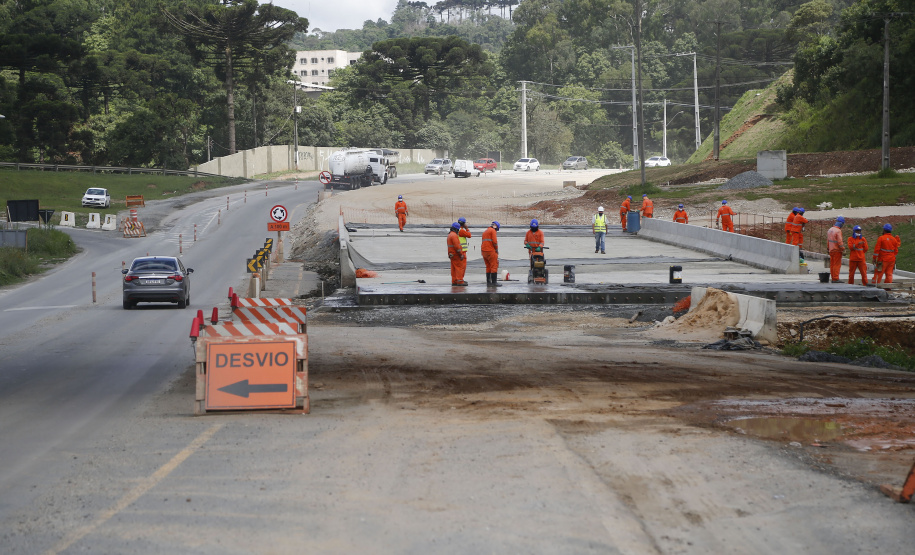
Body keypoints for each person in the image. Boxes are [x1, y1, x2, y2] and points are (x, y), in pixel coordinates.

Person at [826, 216, 846, 283]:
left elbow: (828, 240)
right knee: (836, 264)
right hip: (837, 250)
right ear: (841, 223)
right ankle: (835, 278)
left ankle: (833, 277)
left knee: (832, 264)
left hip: (831, 250)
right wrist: (843, 249)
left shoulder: (830, 229)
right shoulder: (838, 231)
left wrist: (828, 248)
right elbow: (839, 242)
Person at [447, 222, 467, 286]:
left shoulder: (450, 235)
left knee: (453, 268)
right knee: (459, 268)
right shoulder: (454, 236)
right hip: (456, 255)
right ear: (456, 229)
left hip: (451, 254)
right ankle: (460, 281)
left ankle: (454, 281)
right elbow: (457, 247)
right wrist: (461, 254)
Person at [482, 221, 501, 287]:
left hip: (484, 251)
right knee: (494, 266)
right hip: (490, 251)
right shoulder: (492, 231)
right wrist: (496, 249)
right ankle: (494, 282)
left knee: (488, 266)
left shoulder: (485, 231)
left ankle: (488, 282)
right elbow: (494, 241)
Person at [457, 216, 471, 284]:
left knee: (458, 267)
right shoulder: (461, 230)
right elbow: (469, 235)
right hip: (462, 251)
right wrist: (467, 228)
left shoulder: (456, 229)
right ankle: (460, 280)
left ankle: (457, 279)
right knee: (462, 267)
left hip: (458, 250)